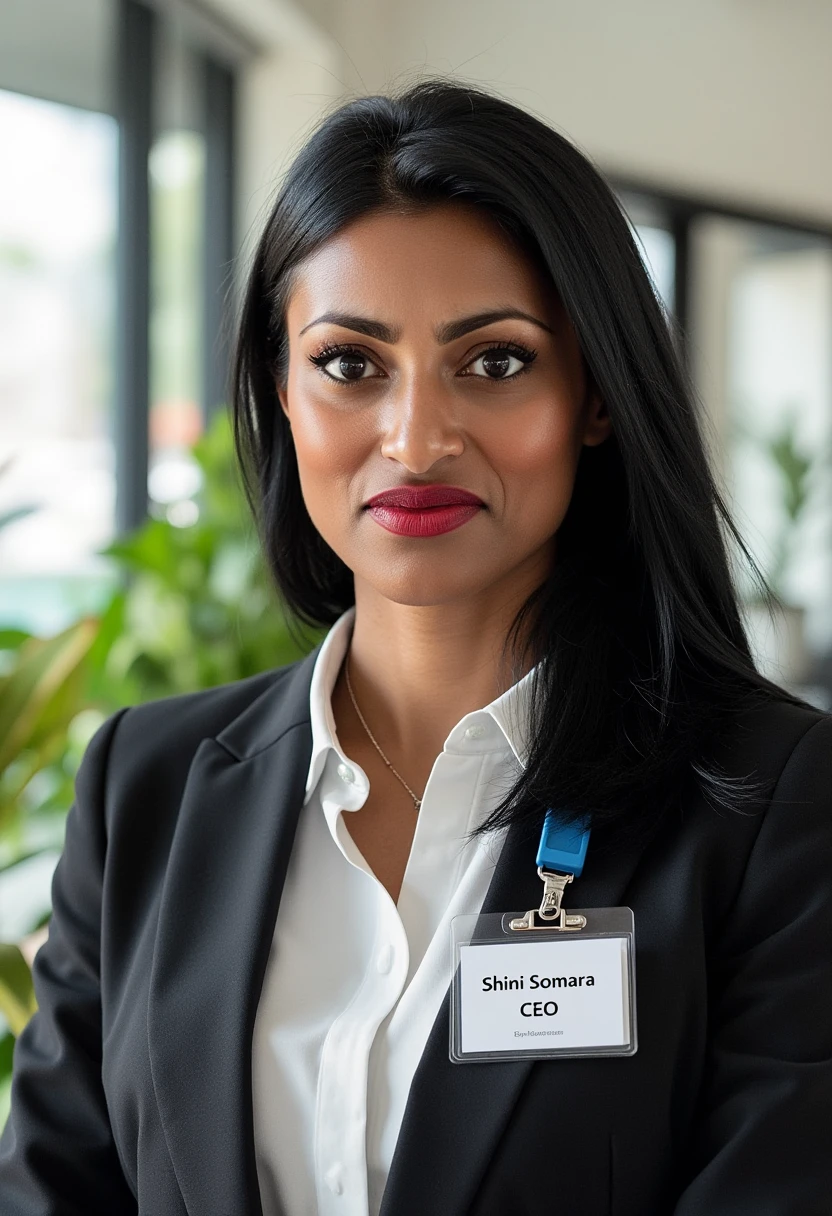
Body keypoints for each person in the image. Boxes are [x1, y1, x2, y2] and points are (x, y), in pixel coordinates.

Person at [1, 76, 830, 1216]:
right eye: (349, 362)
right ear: (280, 390)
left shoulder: (770, 806)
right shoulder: (145, 785)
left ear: (593, 395)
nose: (417, 437)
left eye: (495, 361)